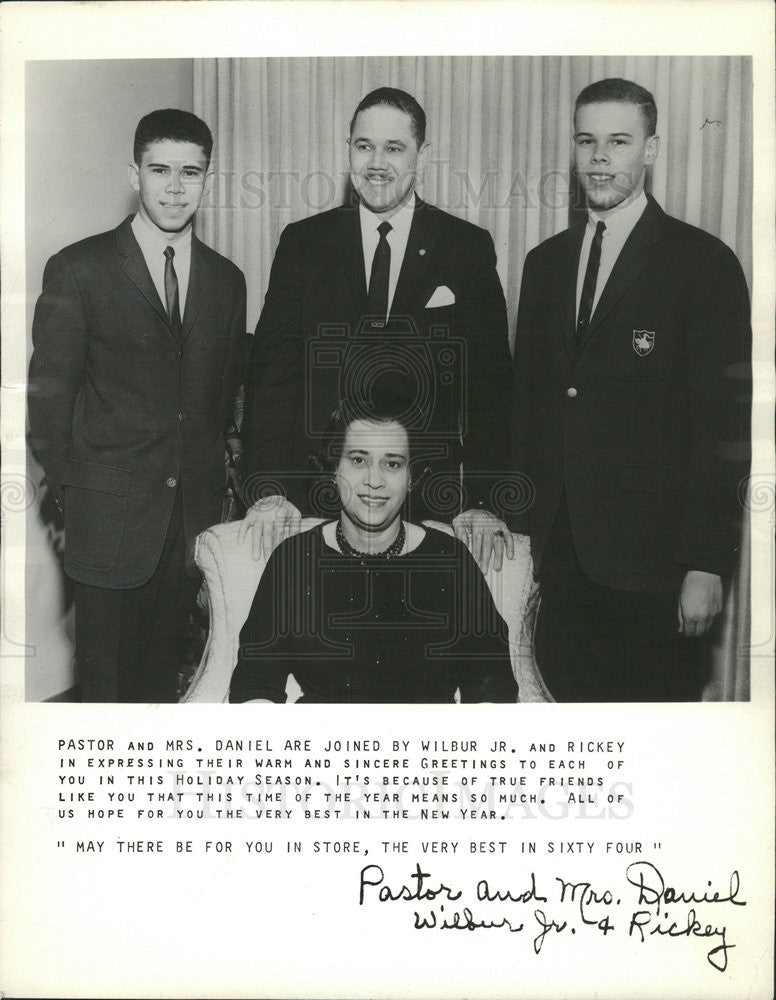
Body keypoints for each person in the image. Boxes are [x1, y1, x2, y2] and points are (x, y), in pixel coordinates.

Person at [509, 78, 751, 702]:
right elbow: (530, 406)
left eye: (618, 141)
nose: (599, 157)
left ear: (651, 149)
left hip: (655, 571)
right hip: (559, 561)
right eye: (586, 141)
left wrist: (706, 563)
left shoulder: (702, 263)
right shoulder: (545, 263)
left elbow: (723, 428)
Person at [239, 86, 514, 574]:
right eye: (364, 146)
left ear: (421, 155)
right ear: (348, 149)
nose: (376, 162)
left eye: (394, 148)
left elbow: (491, 389)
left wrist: (487, 501)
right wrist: (270, 491)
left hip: (431, 507)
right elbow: (272, 380)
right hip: (315, 503)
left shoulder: (465, 247)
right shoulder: (304, 243)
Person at [28, 109, 247, 703]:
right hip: (106, 526)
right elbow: (47, 403)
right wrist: (79, 498)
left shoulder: (228, 282)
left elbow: (219, 404)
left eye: (190, 172)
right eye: (160, 170)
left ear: (209, 179)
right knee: (103, 696)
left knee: (163, 692)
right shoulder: (79, 268)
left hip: (187, 530)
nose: (175, 187)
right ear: (134, 173)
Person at [229, 391, 518, 704]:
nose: (374, 480)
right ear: (333, 468)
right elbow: (254, 689)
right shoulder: (294, 559)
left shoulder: (450, 559)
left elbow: (493, 689)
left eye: (392, 464)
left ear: (412, 477)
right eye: (358, 460)